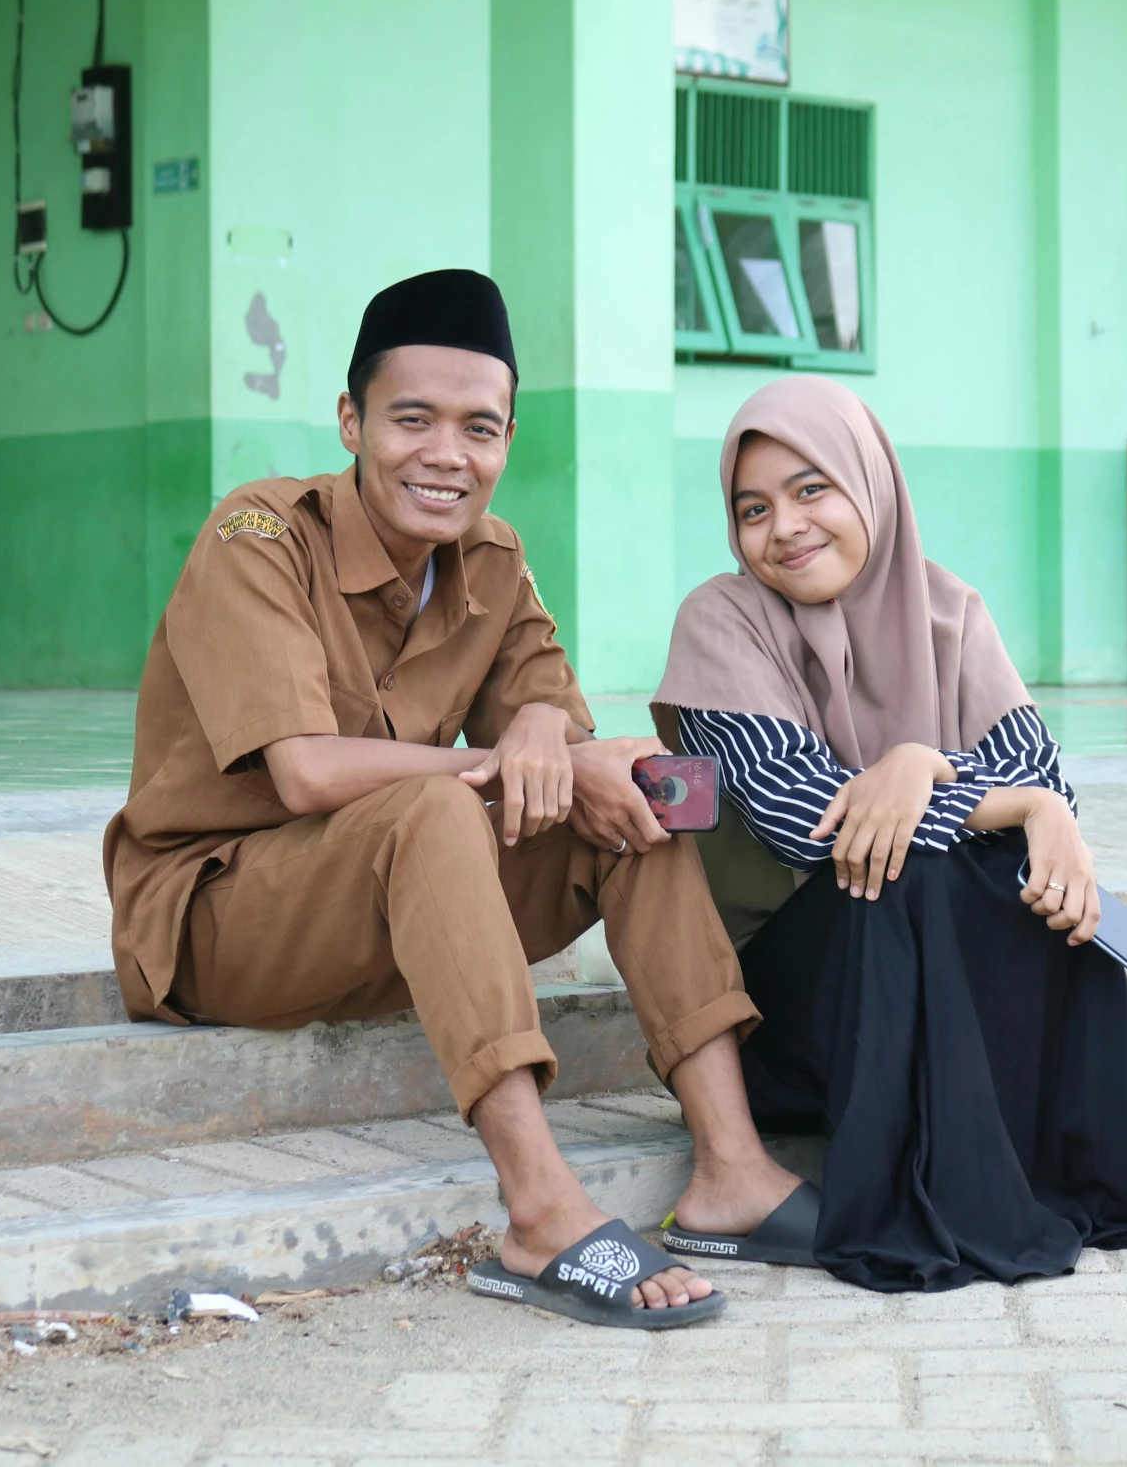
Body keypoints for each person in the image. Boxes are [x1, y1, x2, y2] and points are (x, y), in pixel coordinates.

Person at [102, 269, 809, 1329]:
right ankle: (536, 1210)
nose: (445, 455)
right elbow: (303, 771)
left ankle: (732, 1170)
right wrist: (525, 757)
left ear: (508, 439)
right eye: (411, 420)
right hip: (220, 917)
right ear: (350, 420)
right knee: (438, 808)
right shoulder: (258, 536)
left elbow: (556, 724)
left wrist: (545, 734)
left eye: (478, 428)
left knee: (628, 801)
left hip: (390, 912)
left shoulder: (492, 556)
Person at [650, 375, 1127, 1293]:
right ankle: (957, 1183)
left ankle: (1084, 1159)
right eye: (752, 508)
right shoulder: (723, 621)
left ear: (870, 483)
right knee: (900, 867)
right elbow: (813, 819)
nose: (783, 527)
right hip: (775, 1013)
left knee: (1010, 873)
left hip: (922, 992)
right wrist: (950, 777)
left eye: (811, 489)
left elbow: (1045, 779)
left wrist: (960, 781)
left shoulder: (950, 610)